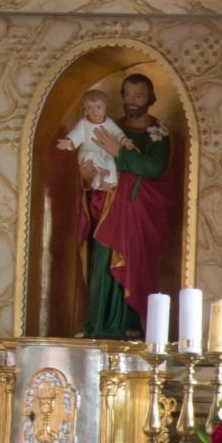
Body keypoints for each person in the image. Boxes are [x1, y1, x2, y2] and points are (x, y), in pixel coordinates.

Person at [65, 70, 175, 339]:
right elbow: (91, 158)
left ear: (150, 98)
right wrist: (88, 177)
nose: (132, 101)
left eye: (139, 95)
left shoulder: (157, 131)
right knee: (102, 263)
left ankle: (130, 323)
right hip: (108, 208)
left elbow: (155, 167)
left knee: (133, 265)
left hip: (138, 212)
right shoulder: (110, 126)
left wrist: (119, 153)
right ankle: (98, 325)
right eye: (127, 95)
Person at [57, 87, 124, 195]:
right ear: (85, 109)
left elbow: (117, 133)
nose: (94, 112)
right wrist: (69, 142)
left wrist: (123, 140)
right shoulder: (84, 123)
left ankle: (107, 183)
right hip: (88, 152)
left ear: (105, 107)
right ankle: (102, 172)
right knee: (91, 155)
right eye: (89, 108)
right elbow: (76, 134)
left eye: (98, 107)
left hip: (105, 153)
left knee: (110, 162)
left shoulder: (109, 122)